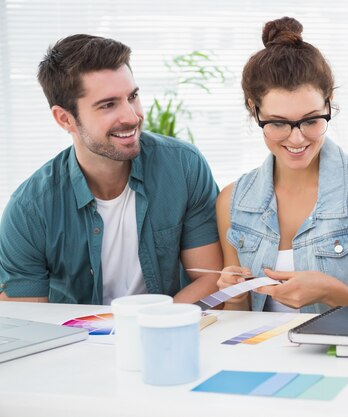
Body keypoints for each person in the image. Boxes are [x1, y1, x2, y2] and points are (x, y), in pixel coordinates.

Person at [0, 34, 223, 305]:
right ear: (65, 118)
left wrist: (146, 329)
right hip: (78, 343)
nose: (131, 116)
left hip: (164, 334)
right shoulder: (30, 209)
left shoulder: (183, 166)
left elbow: (211, 278)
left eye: (133, 96)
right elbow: (29, 320)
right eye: (108, 105)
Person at [211, 17, 348, 313]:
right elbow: (237, 324)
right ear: (254, 110)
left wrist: (331, 293)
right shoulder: (232, 201)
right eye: (278, 123)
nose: (297, 138)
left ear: (330, 103)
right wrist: (236, 297)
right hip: (257, 359)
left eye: (312, 120)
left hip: (341, 359)